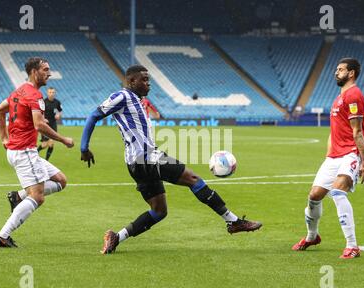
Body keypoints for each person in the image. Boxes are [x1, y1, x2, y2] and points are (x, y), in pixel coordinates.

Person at [80, 65, 262, 255]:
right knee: (194, 180)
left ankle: (116, 237)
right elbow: (94, 115)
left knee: (159, 211)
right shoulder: (122, 96)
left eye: (148, 80)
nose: (148, 83)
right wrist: (84, 147)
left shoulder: (138, 100)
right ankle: (233, 222)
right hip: (147, 159)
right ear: (131, 81)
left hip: (138, 163)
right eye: (144, 79)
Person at [292, 57, 364, 259]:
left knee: (337, 192)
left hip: (351, 153)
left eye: (341, 69)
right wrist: (329, 154)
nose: (336, 72)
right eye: (336, 69)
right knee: (314, 196)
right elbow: (334, 130)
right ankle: (312, 236)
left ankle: (352, 246)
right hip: (334, 156)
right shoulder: (339, 97)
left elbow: (358, 132)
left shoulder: (353, 95)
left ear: (351, 73)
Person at [0, 57, 74, 248]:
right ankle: (3, 236)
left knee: (61, 180)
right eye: (45, 69)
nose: (49, 73)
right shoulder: (35, 96)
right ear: (33, 71)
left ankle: (18, 197)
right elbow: (38, 125)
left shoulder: (19, 91)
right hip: (24, 152)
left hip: (18, 150)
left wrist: (4, 138)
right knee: (37, 196)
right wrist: (63, 140)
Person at [37, 87, 63, 161]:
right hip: (45, 124)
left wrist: (59, 115)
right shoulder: (43, 102)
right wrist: (43, 119)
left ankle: (46, 160)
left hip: (53, 124)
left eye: (53, 92)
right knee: (44, 144)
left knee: (51, 144)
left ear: (55, 93)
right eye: (50, 92)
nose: (51, 94)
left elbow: (60, 111)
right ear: (47, 93)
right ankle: (36, 152)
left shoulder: (57, 102)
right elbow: (39, 112)